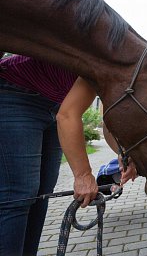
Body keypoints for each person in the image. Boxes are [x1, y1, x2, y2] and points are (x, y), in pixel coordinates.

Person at [0, 54, 136, 256]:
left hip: (55, 102)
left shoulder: (121, 77)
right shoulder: (104, 60)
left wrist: (123, 155)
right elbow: (68, 116)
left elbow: (108, 122)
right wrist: (83, 175)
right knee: (20, 194)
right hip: (15, 90)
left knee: (41, 193)